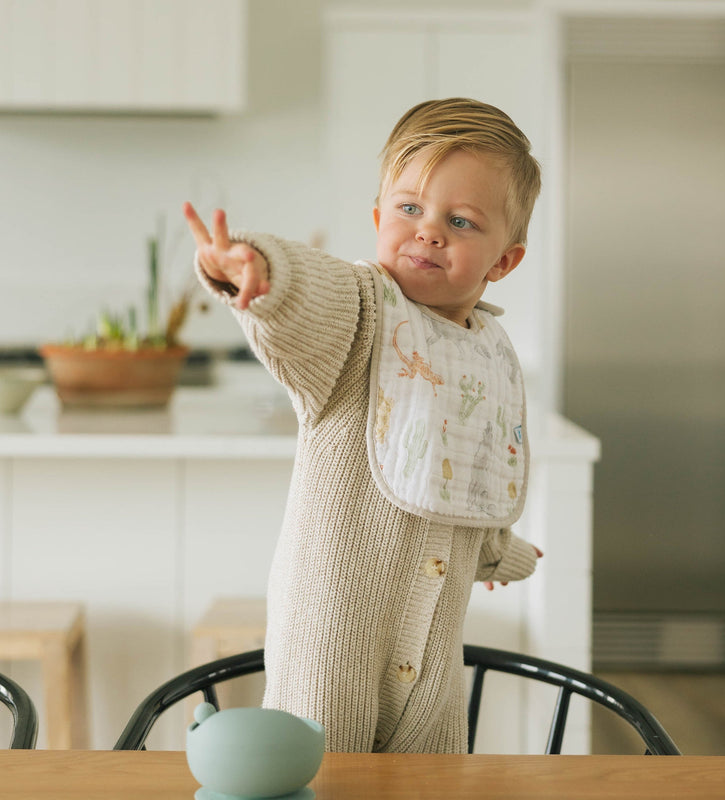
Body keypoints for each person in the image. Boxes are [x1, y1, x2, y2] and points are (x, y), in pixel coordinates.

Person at [184, 97, 543, 753]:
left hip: (432, 663)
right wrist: (262, 276)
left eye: (460, 221)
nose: (428, 231)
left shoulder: (487, 353)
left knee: (431, 781)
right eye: (410, 209)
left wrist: (500, 550)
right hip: (328, 647)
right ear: (379, 219)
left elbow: (471, 470)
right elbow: (307, 298)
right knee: (320, 774)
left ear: (504, 261)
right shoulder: (364, 313)